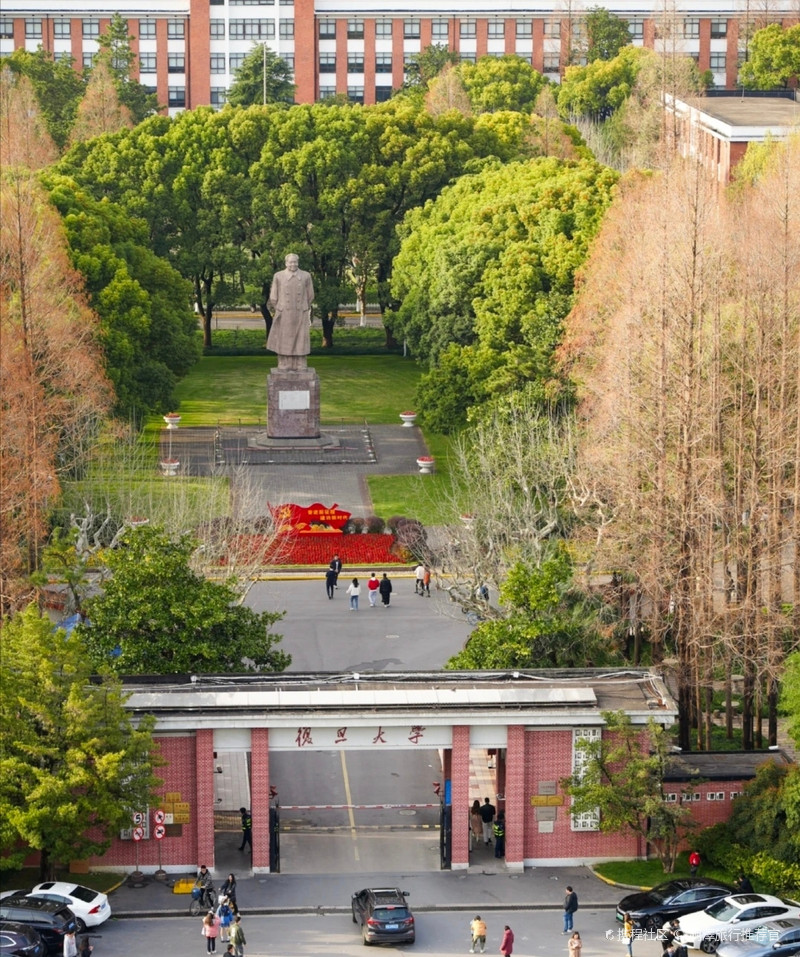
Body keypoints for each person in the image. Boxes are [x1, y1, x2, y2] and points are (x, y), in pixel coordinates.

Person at [267, 253, 314, 371]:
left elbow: (310, 295)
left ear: (298, 262)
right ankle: (284, 363)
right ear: (286, 263)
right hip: (284, 313)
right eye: (291, 262)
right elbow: (273, 296)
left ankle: (300, 363)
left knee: (301, 338)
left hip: (300, 312)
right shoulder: (278, 276)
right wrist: (280, 308)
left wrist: (303, 307)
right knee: (284, 338)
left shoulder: (306, 276)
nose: (293, 264)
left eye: (295, 262)